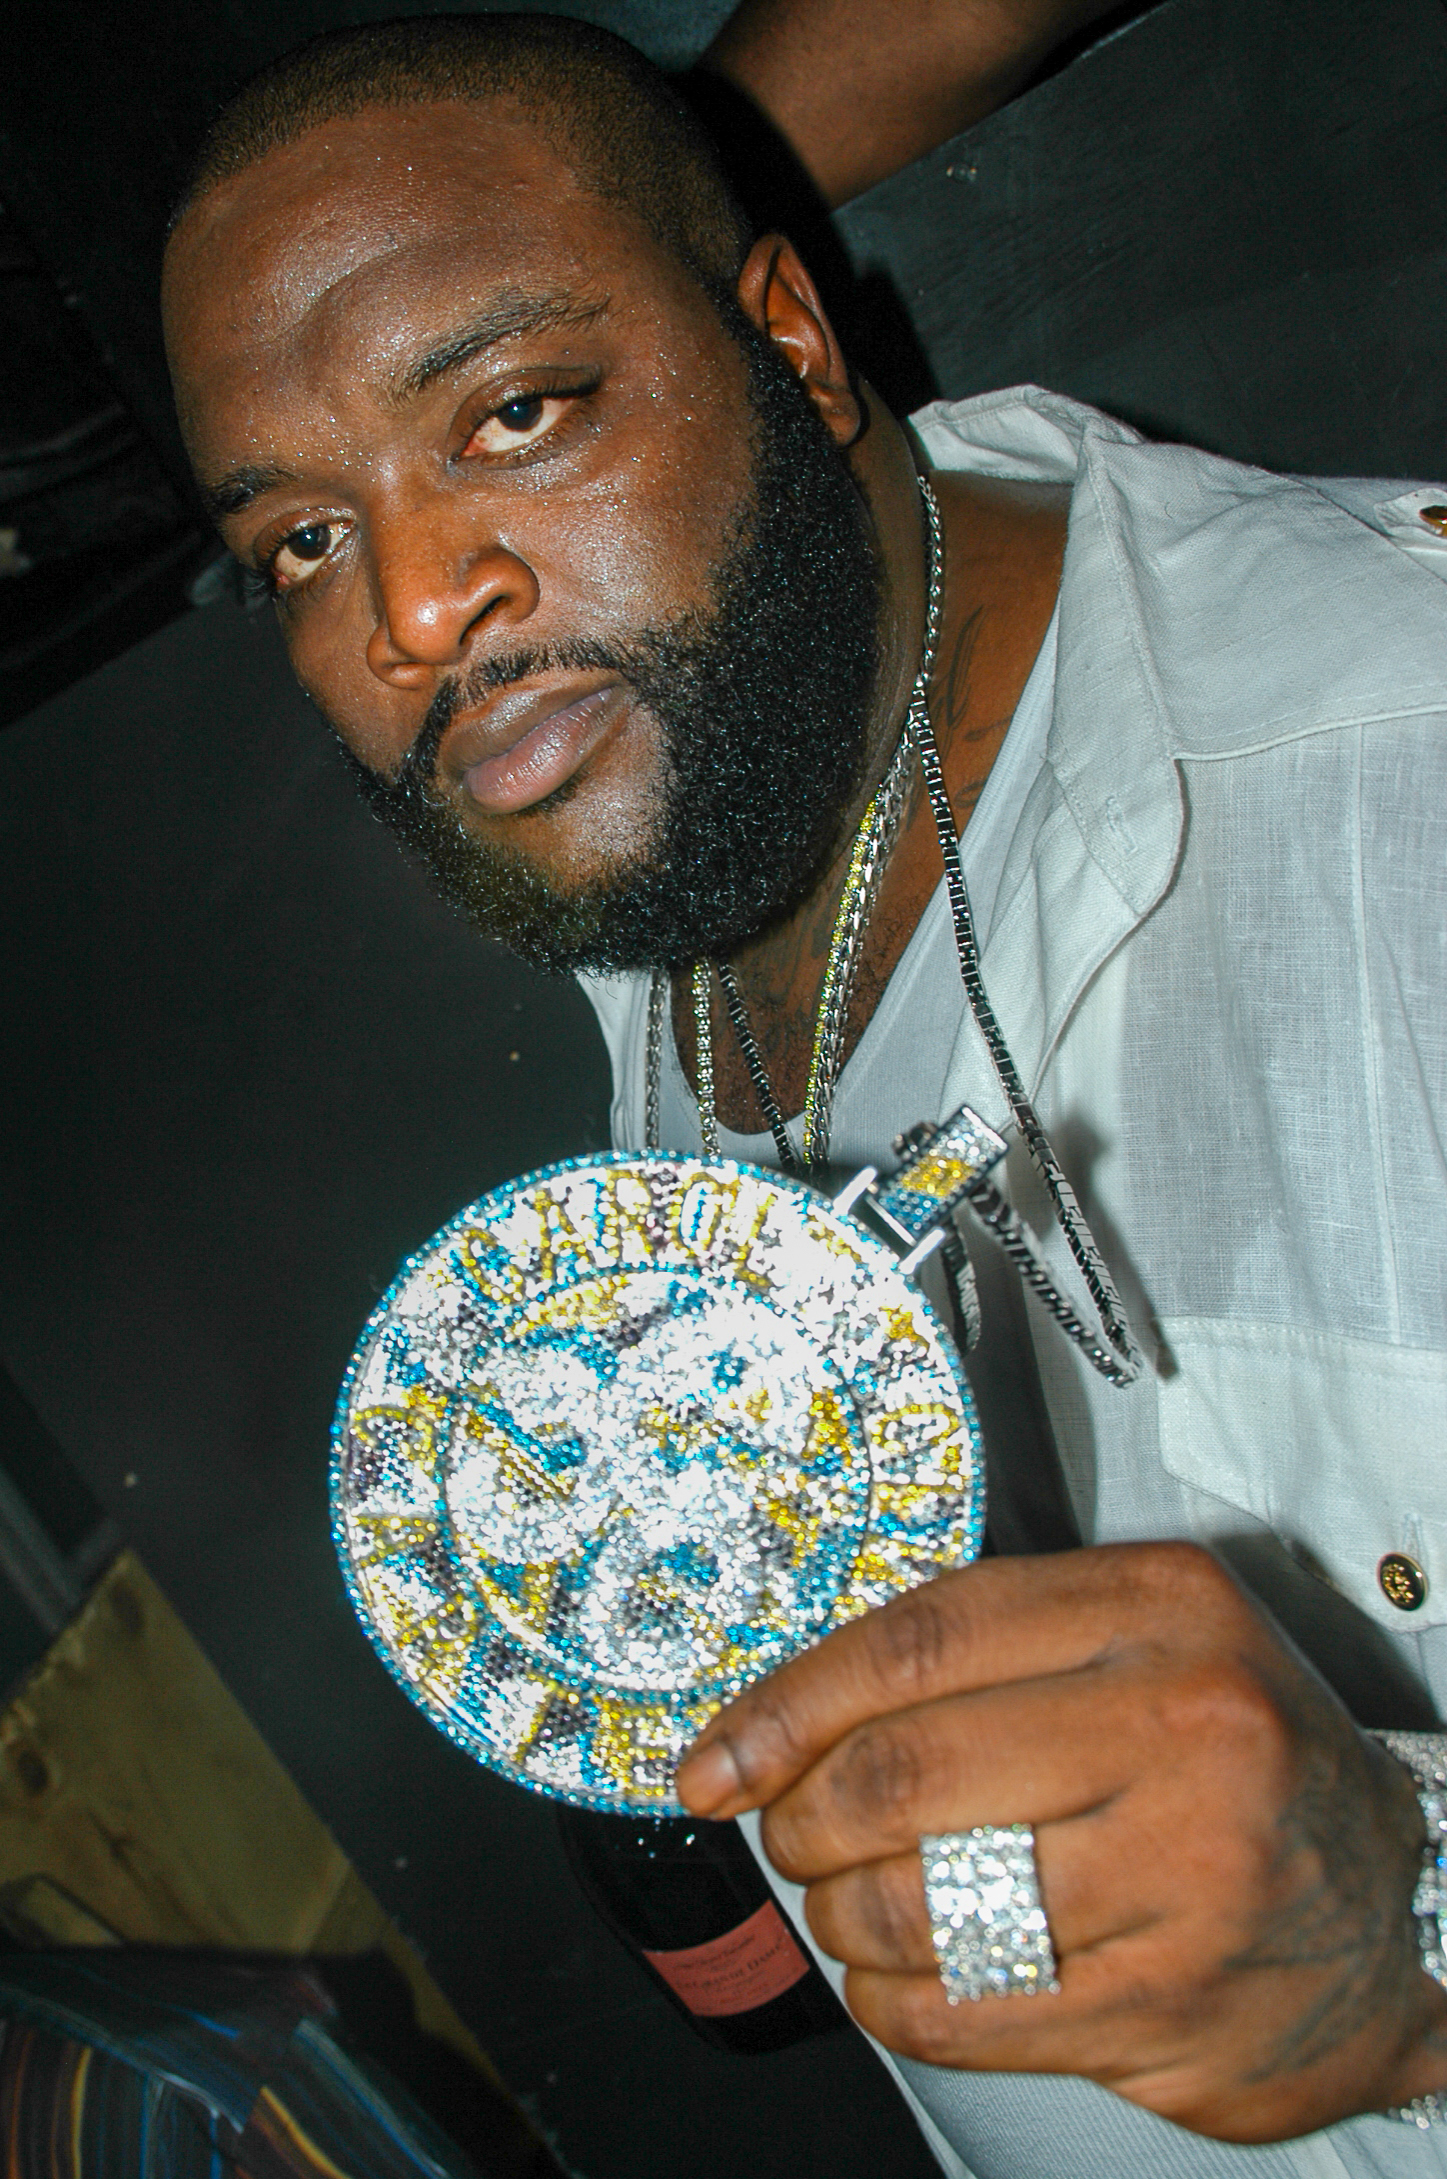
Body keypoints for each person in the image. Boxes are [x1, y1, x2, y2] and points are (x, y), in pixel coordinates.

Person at [159, 13, 1447, 2177]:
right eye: (300, 538)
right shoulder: (670, 847)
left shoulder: (1398, 782)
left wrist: (1415, 1926)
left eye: (515, 413)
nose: (412, 608)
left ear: (789, 340)